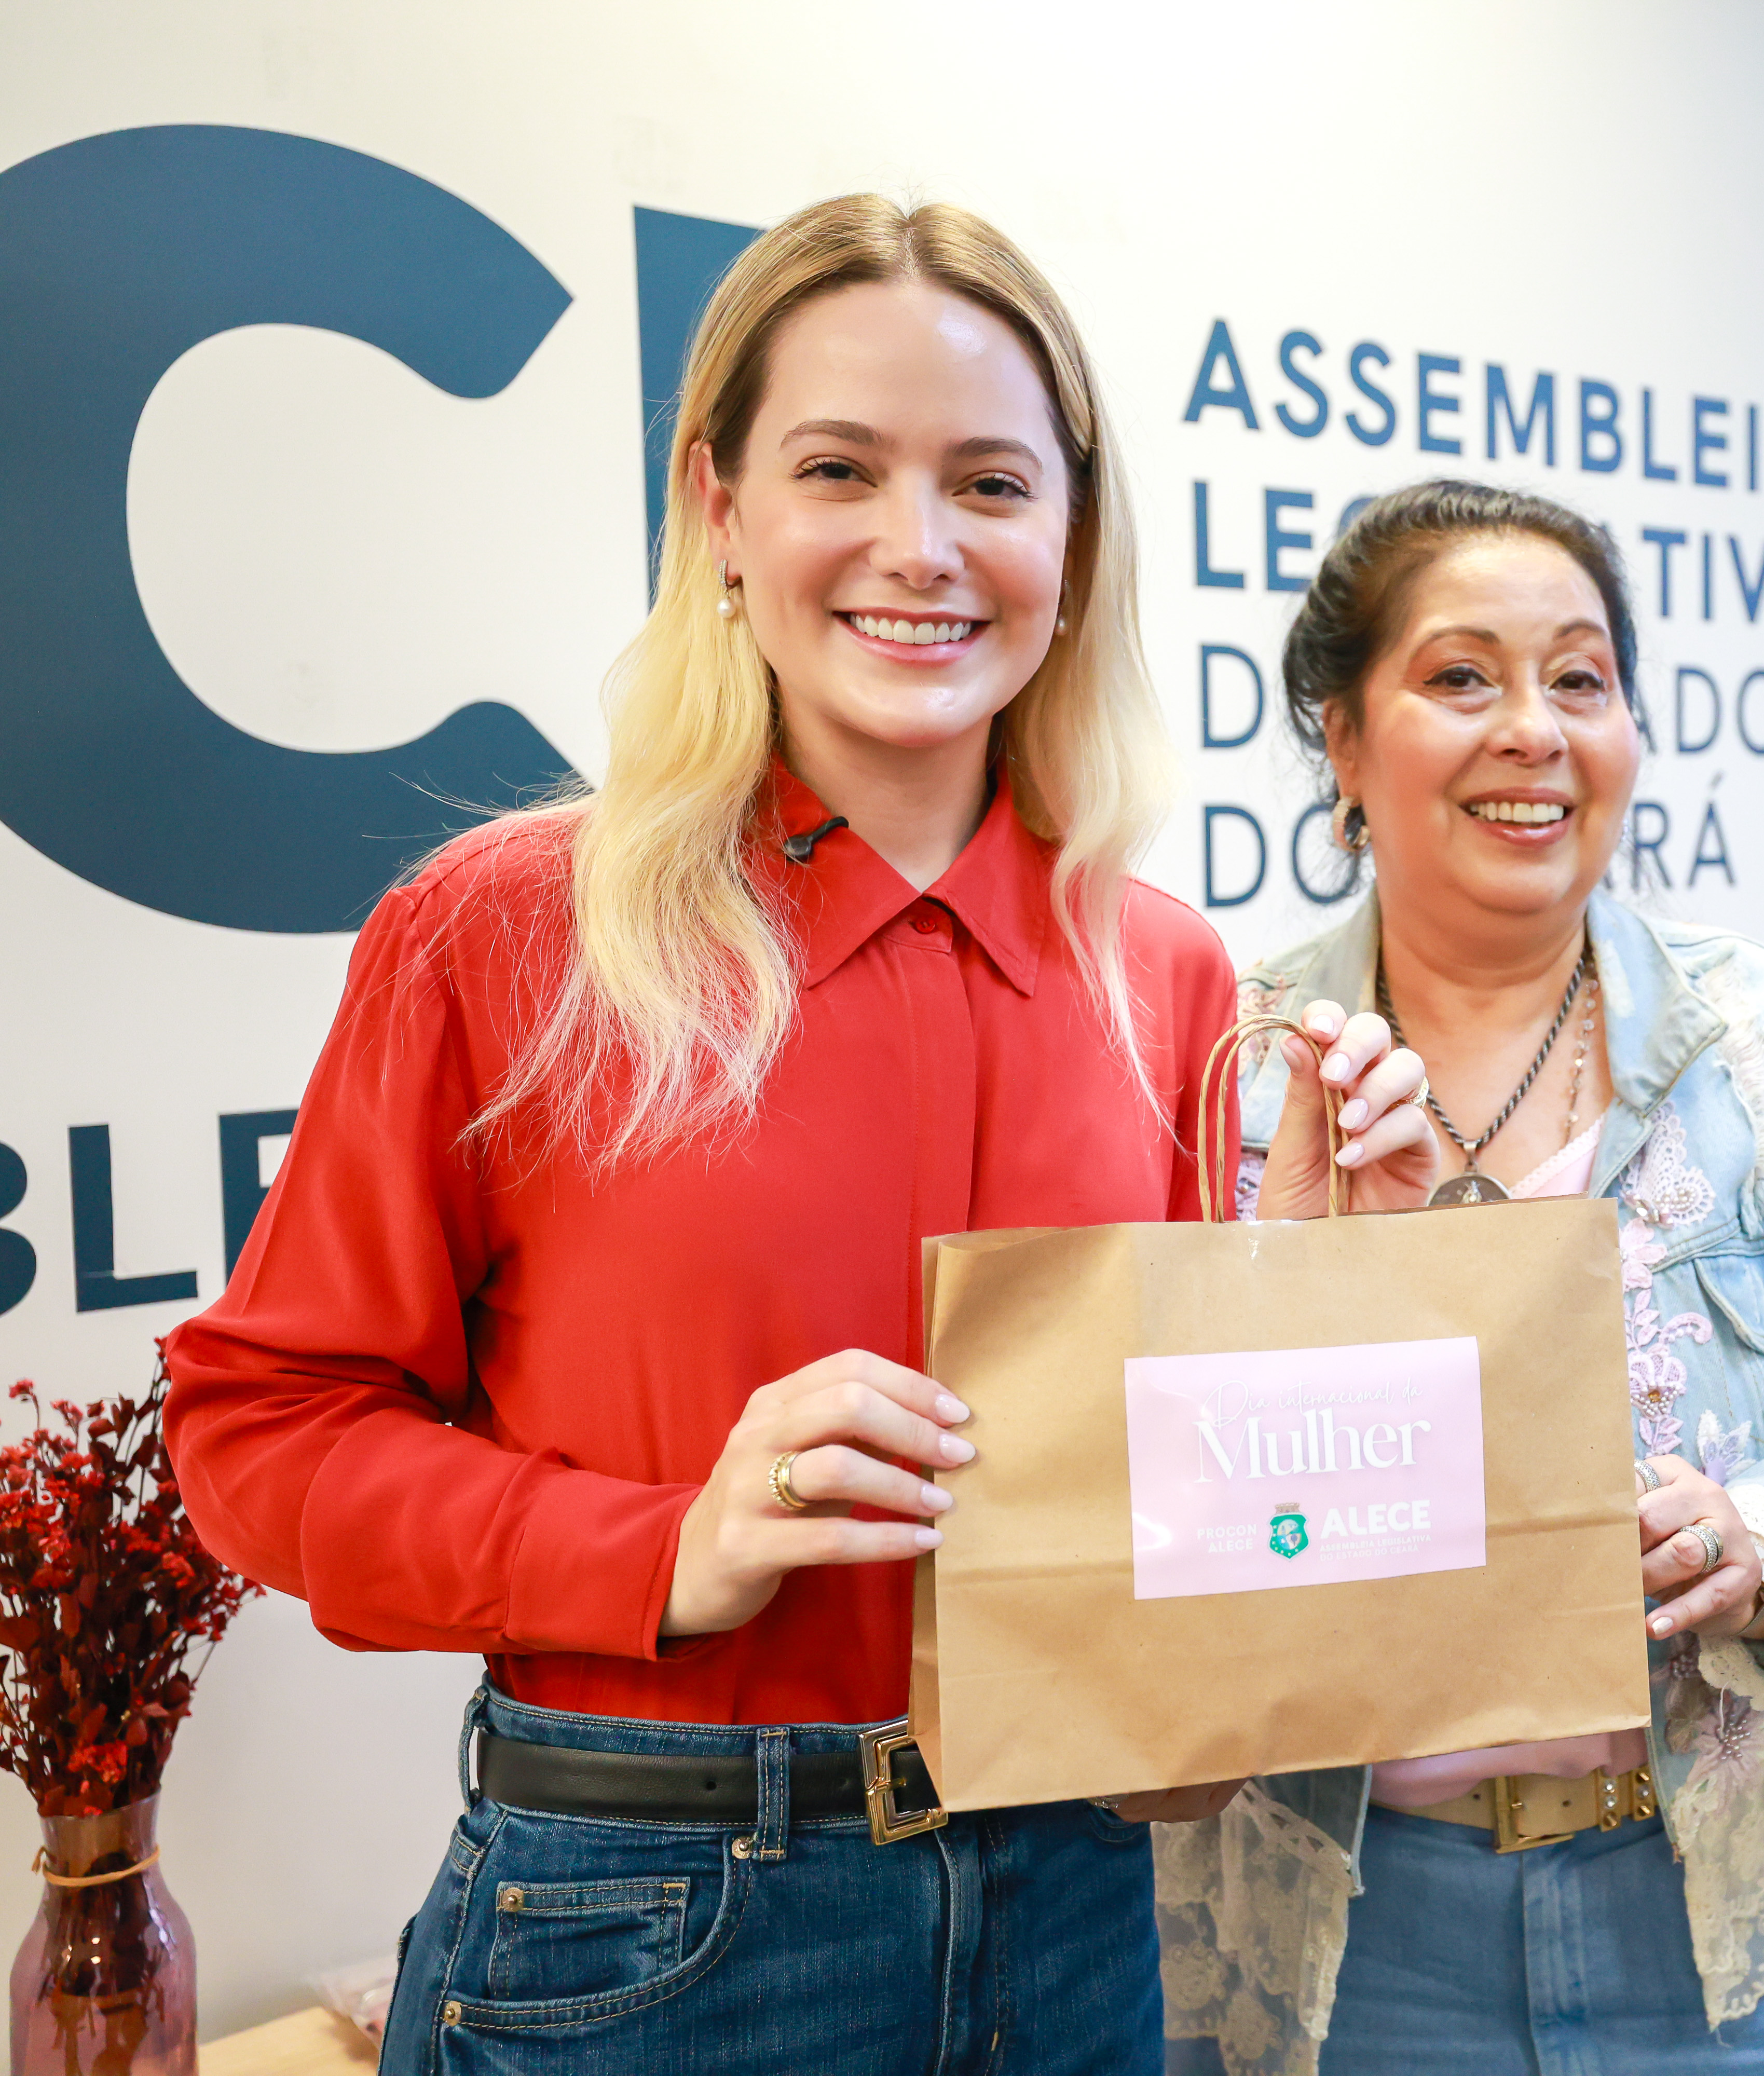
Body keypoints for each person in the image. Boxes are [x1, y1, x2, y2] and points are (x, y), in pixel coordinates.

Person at [161, 196, 1425, 2076]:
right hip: (652, 1924)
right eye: (841, 468)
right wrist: (661, 1545)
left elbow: (1192, 1541)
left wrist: (1335, 1283)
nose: (923, 546)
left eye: (991, 484)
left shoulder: (1162, 972)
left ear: (1073, 543)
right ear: (721, 509)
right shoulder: (504, 932)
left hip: (1077, 1913)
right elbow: (261, 1433)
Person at [1154, 480, 1764, 2075]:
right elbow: (1138, 1502)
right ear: (1344, 742)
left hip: (1731, 1919)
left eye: (1581, 679)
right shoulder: (1214, 1075)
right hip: (1351, 1934)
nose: (1534, 730)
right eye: (1463, 676)